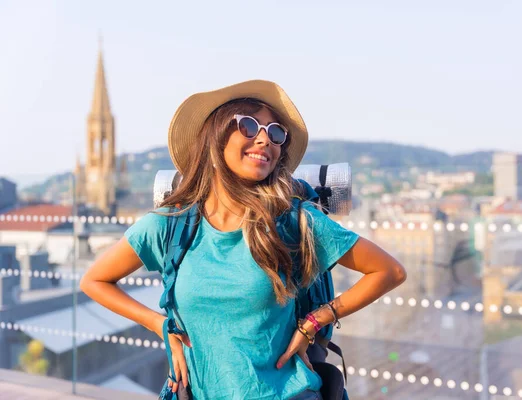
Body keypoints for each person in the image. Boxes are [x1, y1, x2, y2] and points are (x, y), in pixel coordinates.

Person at [80, 80, 407, 400]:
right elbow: (95, 280)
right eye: (249, 125)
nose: (266, 139)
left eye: (277, 132)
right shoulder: (170, 226)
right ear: (214, 137)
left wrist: (314, 322)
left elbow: (388, 271)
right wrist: (158, 324)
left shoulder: (294, 220)